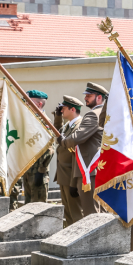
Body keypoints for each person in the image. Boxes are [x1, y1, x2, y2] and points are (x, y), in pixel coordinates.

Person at [61, 82, 108, 223]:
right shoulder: (105, 113)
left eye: (89, 95)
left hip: (90, 170)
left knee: (91, 214)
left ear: (99, 98)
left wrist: (62, 140)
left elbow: (76, 138)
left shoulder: (93, 115)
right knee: (101, 212)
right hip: (98, 168)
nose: (86, 98)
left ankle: (95, 244)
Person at [20, 89, 54, 205]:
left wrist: (41, 171)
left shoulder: (45, 121)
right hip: (28, 169)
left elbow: (49, 148)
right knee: (28, 205)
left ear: (39, 104)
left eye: (29, 101)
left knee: (38, 206)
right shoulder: (30, 120)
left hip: (38, 171)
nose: (26, 104)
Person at [53, 96, 83, 226]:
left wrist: (73, 182)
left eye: (63, 108)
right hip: (63, 174)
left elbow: (75, 153)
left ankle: (79, 240)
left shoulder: (79, 125)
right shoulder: (67, 125)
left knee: (76, 213)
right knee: (68, 213)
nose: (61, 110)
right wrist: (58, 116)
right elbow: (58, 133)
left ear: (72, 109)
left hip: (72, 175)